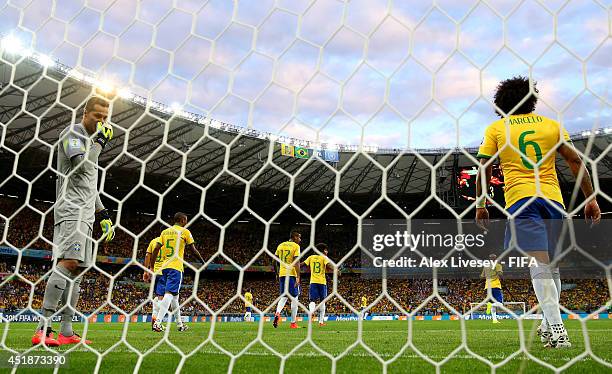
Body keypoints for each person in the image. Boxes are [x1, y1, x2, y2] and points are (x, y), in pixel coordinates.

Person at [475, 76, 601, 348]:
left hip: (521, 199)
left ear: (500, 104)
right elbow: (575, 160)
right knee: (551, 264)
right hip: (554, 201)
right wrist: (591, 199)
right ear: (532, 99)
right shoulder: (552, 125)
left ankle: (558, 329)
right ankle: (547, 325)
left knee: (539, 263)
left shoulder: (497, 128)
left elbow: (484, 168)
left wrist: (481, 204)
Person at [32, 96, 115, 347]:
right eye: (97, 116)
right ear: (84, 113)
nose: (101, 121)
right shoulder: (72, 134)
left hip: (87, 214)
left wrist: (103, 214)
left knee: (78, 271)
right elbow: (81, 168)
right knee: (68, 263)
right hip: (71, 211)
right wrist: (100, 142)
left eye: (105, 118)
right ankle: (42, 328)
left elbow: (89, 184)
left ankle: (66, 332)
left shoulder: (89, 142)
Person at [146, 212, 205, 332]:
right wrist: (203, 261)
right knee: (169, 294)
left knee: (175, 299)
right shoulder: (185, 232)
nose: (186, 222)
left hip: (164, 267)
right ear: (182, 220)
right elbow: (193, 250)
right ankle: (157, 322)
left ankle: (180, 325)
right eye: (186, 220)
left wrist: (152, 266)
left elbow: (156, 249)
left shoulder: (165, 232)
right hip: (176, 267)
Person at [144, 234, 186, 331]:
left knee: (162, 297)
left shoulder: (153, 241)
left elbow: (147, 255)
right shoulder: (167, 241)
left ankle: (177, 324)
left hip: (154, 272)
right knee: (163, 298)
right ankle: (157, 324)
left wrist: (146, 271)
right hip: (164, 271)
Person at [273, 231, 301, 329]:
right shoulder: (296, 246)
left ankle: (277, 313)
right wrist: (298, 276)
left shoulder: (280, 245)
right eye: (299, 237)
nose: (300, 240)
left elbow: (274, 260)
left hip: (282, 274)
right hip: (292, 275)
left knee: (284, 297)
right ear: (294, 237)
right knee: (295, 298)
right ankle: (293, 323)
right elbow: (297, 261)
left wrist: (277, 274)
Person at [304, 243, 331, 326]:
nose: (327, 251)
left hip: (313, 282)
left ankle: (311, 314)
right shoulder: (324, 257)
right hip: (322, 283)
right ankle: (321, 322)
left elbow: (302, 265)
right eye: (326, 250)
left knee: (312, 300)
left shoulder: (311, 257)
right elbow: (329, 265)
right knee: (322, 301)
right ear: (322, 250)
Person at [481, 254, 503, 323]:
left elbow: (482, 276)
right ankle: (490, 304)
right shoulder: (498, 265)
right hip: (495, 285)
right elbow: (500, 274)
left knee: (492, 303)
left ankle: (494, 320)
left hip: (488, 286)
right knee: (500, 303)